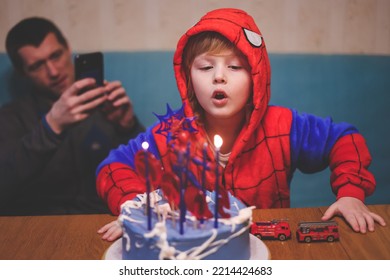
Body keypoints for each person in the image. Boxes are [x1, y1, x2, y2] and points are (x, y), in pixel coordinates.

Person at [96, 8, 385, 241]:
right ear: (187, 78)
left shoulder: (284, 125)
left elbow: (344, 140)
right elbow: (112, 167)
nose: (219, 77)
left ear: (256, 77)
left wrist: (350, 194)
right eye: (206, 67)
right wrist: (136, 207)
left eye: (235, 67)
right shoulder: (169, 133)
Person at [0, 17, 145, 215]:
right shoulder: (12, 117)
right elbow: (5, 183)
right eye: (37, 66)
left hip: (106, 218)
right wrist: (52, 126)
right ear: (22, 72)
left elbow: (149, 169)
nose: (53, 72)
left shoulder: (104, 103)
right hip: (45, 225)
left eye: (56, 55)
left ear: (68, 48)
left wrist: (128, 127)